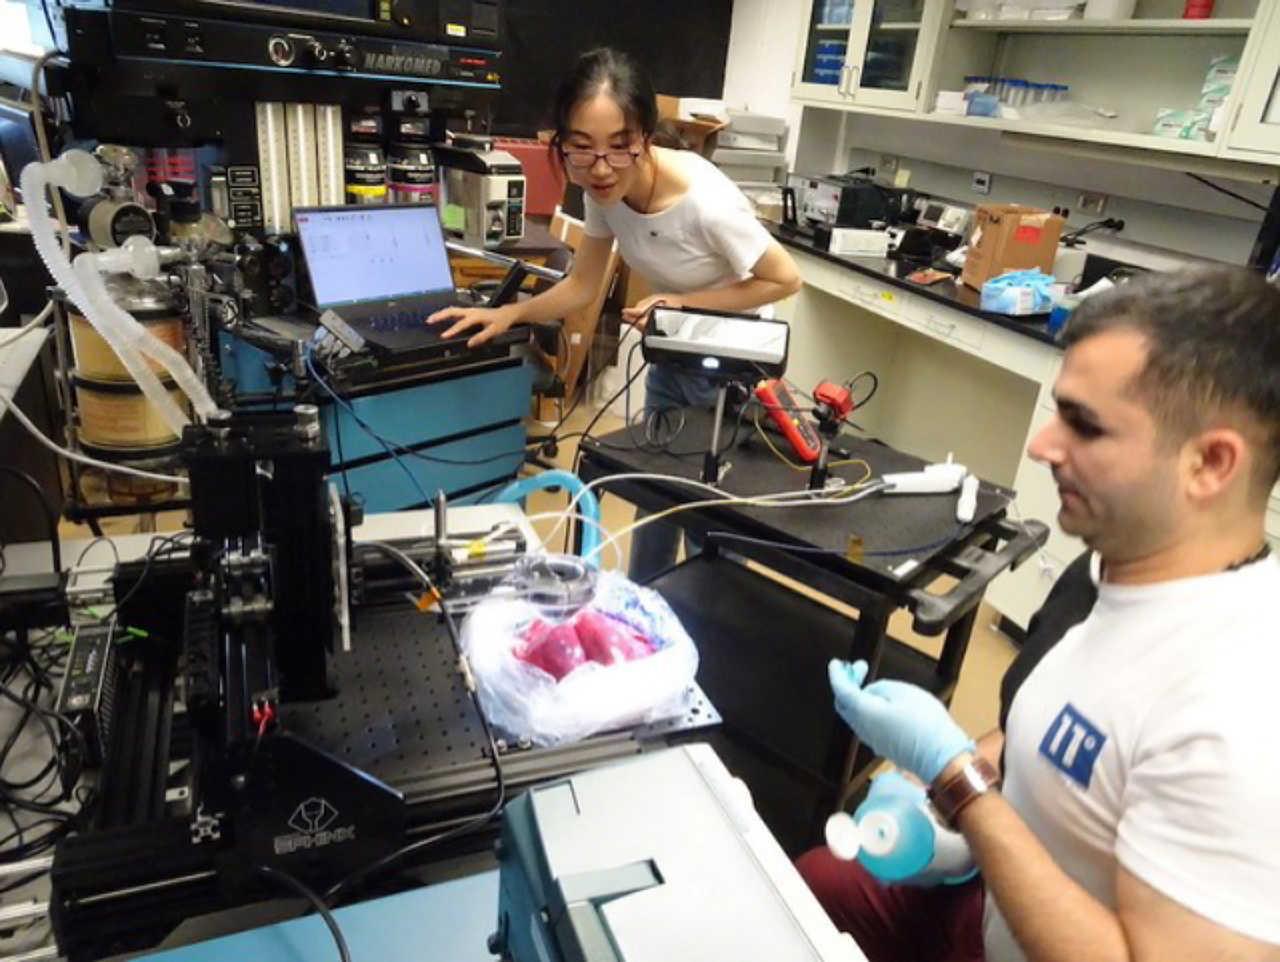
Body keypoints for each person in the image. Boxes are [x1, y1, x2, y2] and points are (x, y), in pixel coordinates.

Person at [797, 266, 1280, 962]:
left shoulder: (1240, 713)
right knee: (821, 881)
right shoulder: (1110, 568)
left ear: (1209, 463)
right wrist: (951, 780)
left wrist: (957, 780)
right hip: (991, 898)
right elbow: (1061, 730)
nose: (1041, 445)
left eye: (1084, 426)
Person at [429, 47, 801, 580]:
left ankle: (711, 639)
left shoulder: (704, 202)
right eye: (581, 149)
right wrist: (510, 314)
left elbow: (785, 279)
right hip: (673, 350)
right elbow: (583, 285)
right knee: (655, 497)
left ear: (644, 136)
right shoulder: (602, 189)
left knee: (710, 525)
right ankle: (641, 608)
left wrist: (683, 303)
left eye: (619, 147)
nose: (600, 168)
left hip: (730, 368)